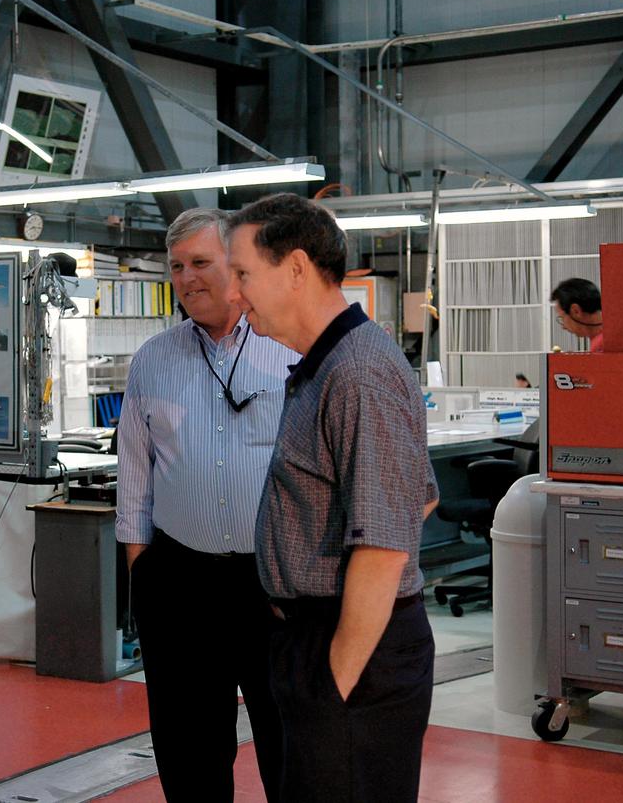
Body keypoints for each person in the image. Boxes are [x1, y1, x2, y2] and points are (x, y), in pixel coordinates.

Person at [225, 193, 438, 802]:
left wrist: (333, 684)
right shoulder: (325, 366)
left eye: (243, 274)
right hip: (317, 638)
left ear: (295, 268)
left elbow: (385, 546)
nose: (234, 293)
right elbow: (418, 497)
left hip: (350, 651)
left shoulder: (357, 373)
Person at [116, 208, 297, 802]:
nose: (187, 278)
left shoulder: (287, 350)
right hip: (180, 580)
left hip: (272, 581)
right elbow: (134, 474)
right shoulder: (153, 358)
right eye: (176, 267)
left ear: (236, 266)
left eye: (200, 262)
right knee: (188, 743)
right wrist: (142, 568)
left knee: (289, 737)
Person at [550, 277, 603, 352]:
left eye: (562, 318)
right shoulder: (604, 338)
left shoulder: (601, 346)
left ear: (576, 311)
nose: (563, 327)